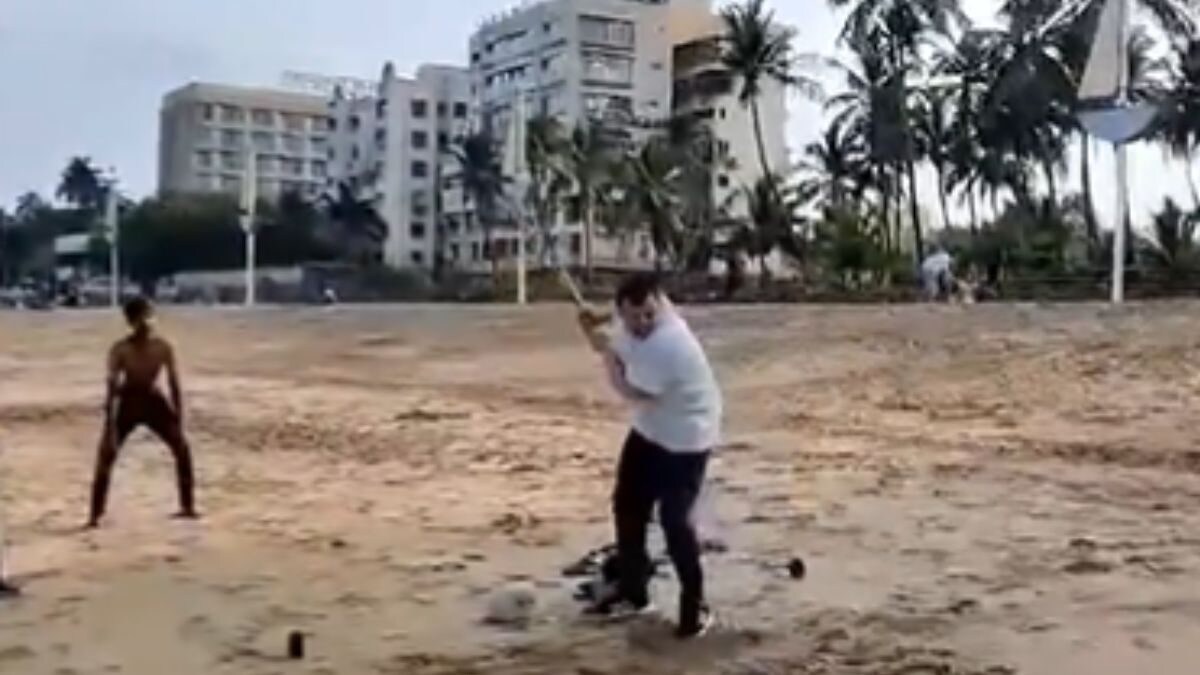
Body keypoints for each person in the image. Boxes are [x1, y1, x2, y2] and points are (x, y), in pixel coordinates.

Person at [576, 273, 722, 639]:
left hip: (687, 435)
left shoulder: (671, 345)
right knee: (628, 504)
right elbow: (623, 338)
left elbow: (630, 389)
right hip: (652, 428)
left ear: (661, 305)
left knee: (674, 521)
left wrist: (604, 350)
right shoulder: (635, 323)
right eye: (632, 317)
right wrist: (601, 327)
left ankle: (696, 604)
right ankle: (633, 591)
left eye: (648, 315)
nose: (642, 323)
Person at [87, 297, 197, 528]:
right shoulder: (121, 350)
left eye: (149, 317)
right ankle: (95, 513)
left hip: (153, 399)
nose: (147, 323)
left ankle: (188, 506)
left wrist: (178, 415)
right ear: (131, 321)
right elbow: (111, 387)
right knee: (106, 455)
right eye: (141, 318)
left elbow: (174, 383)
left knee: (182, 449)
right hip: (129, 400)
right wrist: (109, 425)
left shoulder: (162, 347)